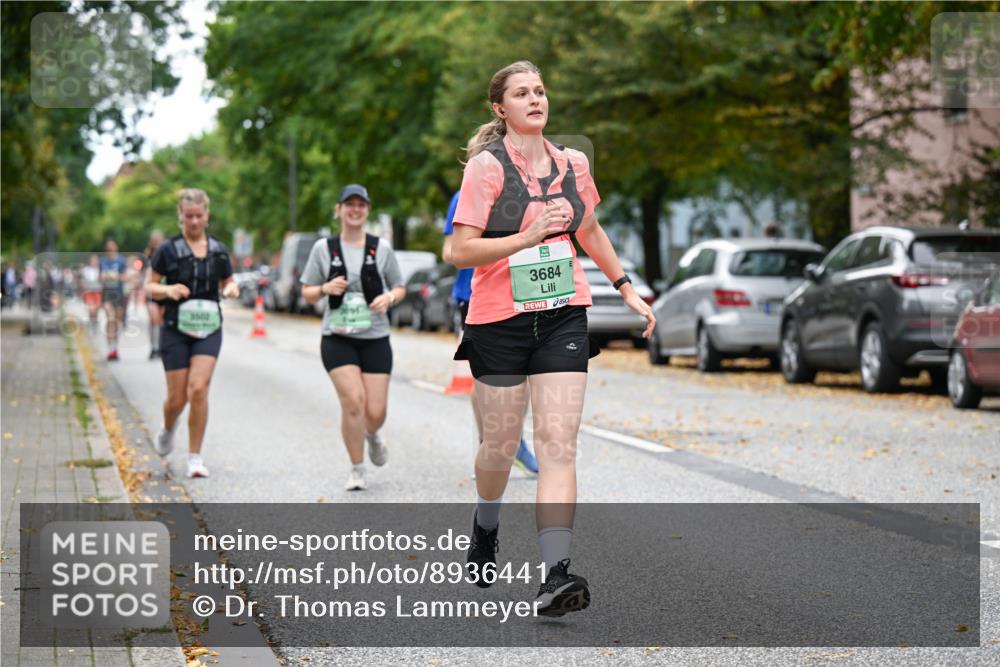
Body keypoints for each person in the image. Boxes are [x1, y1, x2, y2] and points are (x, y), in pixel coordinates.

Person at [450, 61, 655, 616]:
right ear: (500, 108)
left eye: (540, 90)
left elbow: (589, 229)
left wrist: (626, 287)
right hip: (498, 320)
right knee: (498, 445)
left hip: (564, 314)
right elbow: (459, 251)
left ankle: (555, 574)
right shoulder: (486, 168)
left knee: (558, 444)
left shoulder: (573, 164)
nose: (535, 99)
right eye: (522, 93)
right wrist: (526, 236)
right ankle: (486, 523)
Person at [300, 184, 405, 492]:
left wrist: (389, 298)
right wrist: (323, 289)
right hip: (337, 337)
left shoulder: (381, 248)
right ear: (339, 210)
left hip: (375, 336)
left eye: (361, 205)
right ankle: (357, 468)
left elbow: (399, 287)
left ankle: (371, 434)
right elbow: (306, 292)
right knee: (353, 403)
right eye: (350, 204)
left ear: (367, 210)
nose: (355, 210)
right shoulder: (324, 249)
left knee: (375, 413)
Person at [442, 190, 538, 475]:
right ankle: (489, 444)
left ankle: (515, 441)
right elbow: (449, 251)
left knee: (526, 373)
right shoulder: (465, 196)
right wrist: (483, 247)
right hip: (474, 294)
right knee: (484, 377)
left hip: (520, 290)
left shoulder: (524, 190)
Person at [145, 189, 238, 479]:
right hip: (176, 328)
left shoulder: (218, 250)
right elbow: (149, 286)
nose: (194, 222)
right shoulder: (168, 250)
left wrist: (231, 288)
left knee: (198, 388)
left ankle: (195, 458)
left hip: (209, 328)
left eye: (199, 216)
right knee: (177, 399)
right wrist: (168, 290)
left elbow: (229, 280)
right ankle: (168, 428)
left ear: (207, 215)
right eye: (189, 216)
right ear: (181, 217)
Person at [99, 240, 128, 360]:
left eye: (112, 249)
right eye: (108, 249)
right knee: (109, 319)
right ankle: (110, 348)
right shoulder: (103, 261)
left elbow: (125, 277)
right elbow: (99, 278)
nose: (110, 251)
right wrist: (104, 276)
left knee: (117, 322)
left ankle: (115, 347)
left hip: (119, 294)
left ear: (116, 249)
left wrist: (116, 276)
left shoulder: (121, 261)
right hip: (107, 294)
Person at [145, 230, 165, 359]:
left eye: (158, 240)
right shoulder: (147, 256)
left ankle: (160, 346)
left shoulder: (168, 254)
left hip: (164, 292)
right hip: (151, 293)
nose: (156, 243)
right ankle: (154, 347)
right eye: (154, 241)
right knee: (154, 319)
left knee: (161, 321)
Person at [80, 255, 102, 334]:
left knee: (96, 311)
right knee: (91, 310)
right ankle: (91, 324)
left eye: (95, 260)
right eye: (92, 260)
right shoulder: (85, 270)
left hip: (97, 292)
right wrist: (83, 286)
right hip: (88, 292)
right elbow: (81, 281)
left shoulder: (100, 270)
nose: (94, 262)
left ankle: (94, 323)